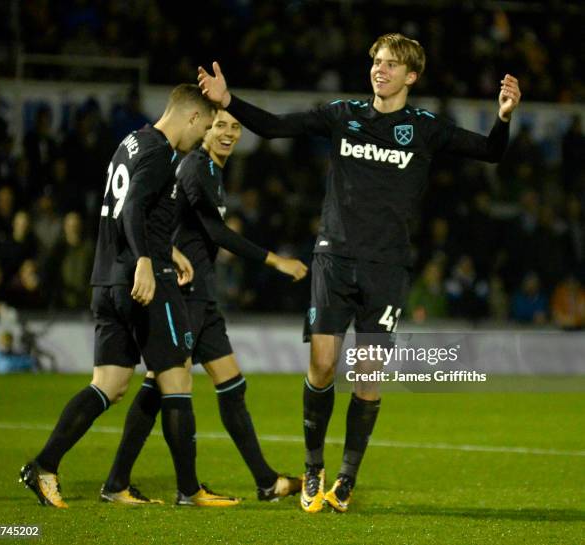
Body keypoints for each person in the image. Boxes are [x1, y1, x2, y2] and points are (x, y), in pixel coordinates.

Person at [198, 32, 521, 513]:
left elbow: (491, 152)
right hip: (335, 256)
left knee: (367, 376)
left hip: (388, 266)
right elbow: (273, 127)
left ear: (411, 76)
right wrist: (229, 101)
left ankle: (346, 478)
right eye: (377, 62)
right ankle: (313, 467)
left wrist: (503, 117)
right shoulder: (341, 115)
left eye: (391, 65)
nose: (380, 70)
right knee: (324, 365)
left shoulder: (425, 127)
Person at [19, 84, 239, 509]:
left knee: (110, 384)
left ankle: (47, 467)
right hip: (143, 281)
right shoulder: (159, 151)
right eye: (206, 126)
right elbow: (132, 207)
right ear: (192, 118)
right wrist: (146, 259)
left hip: (106, 280)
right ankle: (190, 491)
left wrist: (165, 248)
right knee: (175, 377)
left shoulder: (132, 141)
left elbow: (131, 206)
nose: (204, 137)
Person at [100, 110, 308, 505]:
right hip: (184, 292)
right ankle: (122, 483)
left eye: (235, 127)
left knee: (232, 384)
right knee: (161, 387)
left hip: (203, 295)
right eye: (220, 126)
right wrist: (275, 260)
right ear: (205, 131)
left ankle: (267, 482)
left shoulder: (211, 171)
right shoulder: (195, 167)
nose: (228, 133)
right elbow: (215, 232)